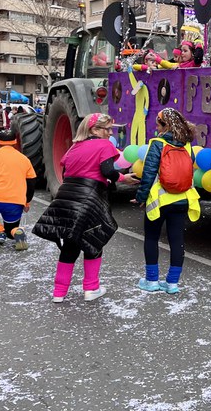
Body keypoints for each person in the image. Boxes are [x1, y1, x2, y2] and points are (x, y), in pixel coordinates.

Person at [33, 114, 139, 302]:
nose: (109, 133)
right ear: (94, 129)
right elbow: (107, 171)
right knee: (94, 240)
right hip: (90, 197)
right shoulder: (104, 145)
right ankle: (91, 288)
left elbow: (66, 172)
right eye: (107, 129)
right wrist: (124, 179)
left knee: (70, 244)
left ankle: (59, 292)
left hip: (67, 196)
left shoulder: (74, 147)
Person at [135, 108, 200, 294]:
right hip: (182, 200)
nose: (156, 128)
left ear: (166, 125)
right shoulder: (187, 146)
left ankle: (152, 281)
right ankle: (172, 283)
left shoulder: (157, 144)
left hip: (159, 200)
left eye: (158, 124)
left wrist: (140, 197)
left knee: (152, 237)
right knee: (177, 240)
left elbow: (148, 174)